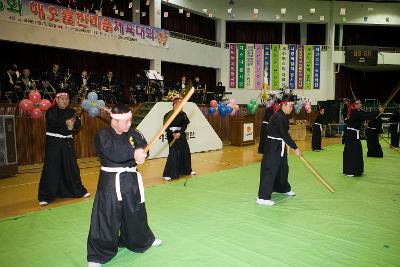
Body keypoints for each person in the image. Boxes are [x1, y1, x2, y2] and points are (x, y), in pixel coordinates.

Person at [87, 104, 161, 267]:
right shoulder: (103, 136)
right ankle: (98, 254)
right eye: (126, 121)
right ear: (114, 121)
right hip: (111, 182)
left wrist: (143, 154)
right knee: (107, 216)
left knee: (135, 211)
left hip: (131, 180)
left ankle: (142, 240)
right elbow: (113, 152)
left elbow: (142, 144)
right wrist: (133, 154)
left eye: (130, 120)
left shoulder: (133, 133)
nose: (129, 124)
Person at [38, 92, 89, 206]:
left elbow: (77, 124)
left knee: (71, 167)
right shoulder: (51, 111)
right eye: (62, 99)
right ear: (56, 100)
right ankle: (45, 195)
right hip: (54, 143)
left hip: (67, 143)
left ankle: (77, 191)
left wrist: (72, 127)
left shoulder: (72, 112)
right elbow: (52, 121)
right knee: (51, 168)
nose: (65, 101)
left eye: (67, 99)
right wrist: (65, 122)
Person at [257, 96, 302, 206]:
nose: (291, 108)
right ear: (284, 105)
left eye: (292, 106)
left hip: (280, 145)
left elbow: (284, 134)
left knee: (282, 167)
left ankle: (282, 188)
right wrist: (295, 147)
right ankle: (262, 197)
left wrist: (292, 146)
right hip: (273, 146)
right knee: (270, 169)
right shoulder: (278, 117)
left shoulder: (283, 116)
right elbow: (284, 134)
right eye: (290, 106)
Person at [343, 100, 384, 177]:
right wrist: (378, 111)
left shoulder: (358, 111)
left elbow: (367, 114)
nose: (361, 104)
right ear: (356, 105)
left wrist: (377, 112)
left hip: (354, 134)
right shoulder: (354, 113)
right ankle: (350, 171)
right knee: (352, 151)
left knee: (357, 151)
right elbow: (366, 116)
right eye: (360, 103)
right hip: (352, 135)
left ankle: (356, 170)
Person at [163, 94, 195, 180]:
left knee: (186, 152)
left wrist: (180, 133)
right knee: (174, 154)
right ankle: (169, 174)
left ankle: (187, 170)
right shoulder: (168, 114)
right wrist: (173, 134)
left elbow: (185, 125)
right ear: (174, 104)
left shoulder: (183, 114)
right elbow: (165, 126)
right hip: (172, 136)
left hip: (181, 135)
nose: (180, 106)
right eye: (178, 104)